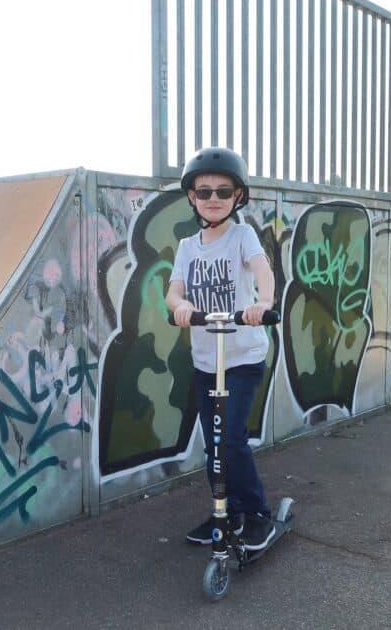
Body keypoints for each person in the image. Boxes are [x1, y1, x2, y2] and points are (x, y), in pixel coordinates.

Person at [165, 147, 276, 551]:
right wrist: (181, 308)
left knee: (229, 439)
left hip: (242, 358)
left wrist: (262, 305)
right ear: (192, 196)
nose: (214, 198)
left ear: (238, 197)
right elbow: (174, 293)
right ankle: (224, 511)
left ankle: (258, 513)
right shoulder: (187, 247)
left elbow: (264, 273)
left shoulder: (242, 236)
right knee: (213, 443)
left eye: (224, 191)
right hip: (206, 361)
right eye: (205, 190)